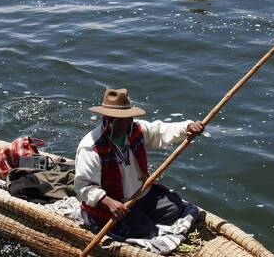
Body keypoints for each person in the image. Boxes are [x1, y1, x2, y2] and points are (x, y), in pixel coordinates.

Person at [74, 87, 205, 239]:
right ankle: (136, 223)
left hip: (140, 196)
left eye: (127, 119)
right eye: (119, 121)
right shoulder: (91, 148)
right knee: (145, 230)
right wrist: (108, 202)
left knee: (176, 209)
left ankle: (142, 217)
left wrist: (187, 128)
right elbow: (83, 187)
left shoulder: (135, 130)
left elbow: (160, 131)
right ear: (107, 120)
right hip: (114, 206)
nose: (124, 125)